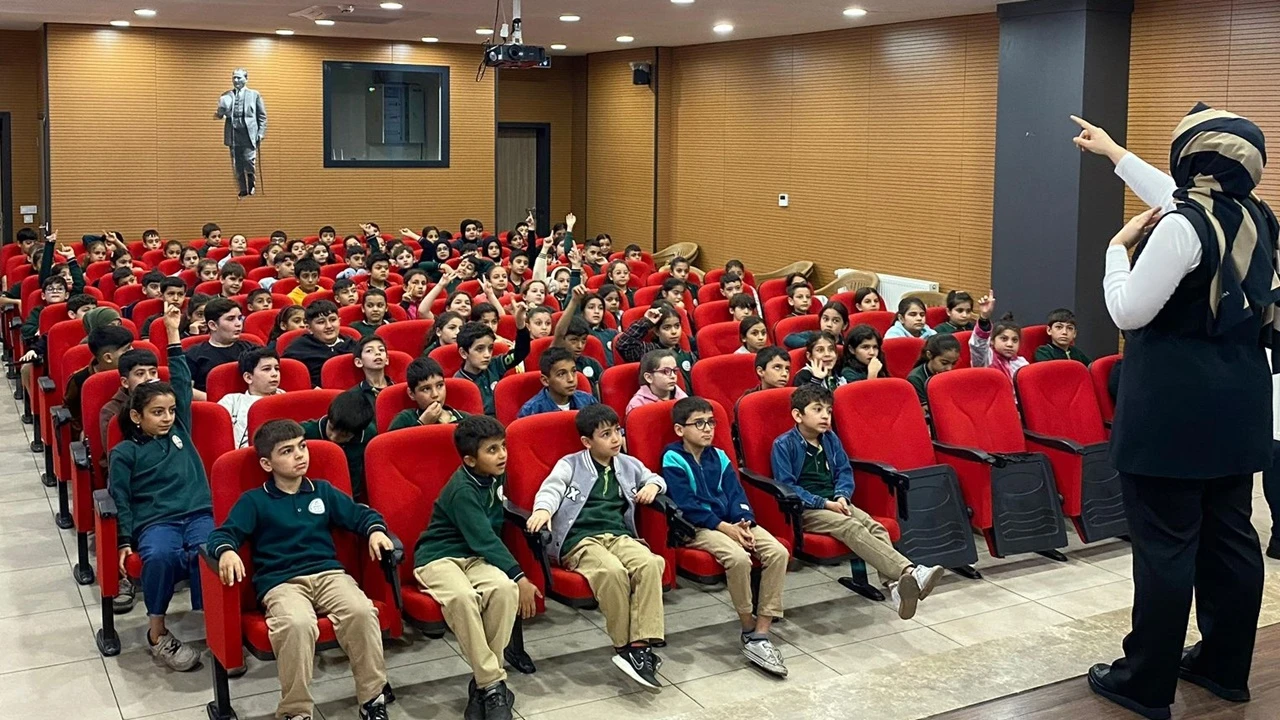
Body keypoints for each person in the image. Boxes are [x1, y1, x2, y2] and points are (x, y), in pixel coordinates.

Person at [1074, 109, 1274, 719]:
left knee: (1165, 546)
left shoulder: (1184, 224)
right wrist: (1114, 152)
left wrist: (1115, 252)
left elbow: (1128, 312)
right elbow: (1177, 198)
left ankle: (1146, 683)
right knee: (1231, 539)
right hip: (1239, 406)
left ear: (1190, 157)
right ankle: (1224, 668)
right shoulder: (1256, 215)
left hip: (1173, 411)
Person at [207, 419, 392, 720]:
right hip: (281, 582)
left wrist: (375, 530)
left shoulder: (322, 491)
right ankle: (295, 710)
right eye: (287, 451)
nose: (300, 455)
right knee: (296, 624)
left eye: (302, 447)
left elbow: (359, 515)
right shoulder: (254, 501)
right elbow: (223, 534)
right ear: (267, 463)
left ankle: (373, 697)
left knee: (361, 611)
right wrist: (226, 550)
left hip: (329, 574)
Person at [772, 385, 944, 619]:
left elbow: (844, 470)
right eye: (817, 409)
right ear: (798, 415)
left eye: (828, 411)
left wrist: (842, 495)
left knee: (877, 527)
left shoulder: (830, 439)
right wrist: (824, 503)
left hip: (836, 501)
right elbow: (787, 486)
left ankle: (895, 587)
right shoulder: (783, 445)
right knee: (850, 526)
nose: (825, 416)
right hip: (806, 510)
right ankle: (910, 571)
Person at [526, 404, 667, 687]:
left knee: (651, 562)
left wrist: (654, 486)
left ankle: (639, 646)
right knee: (612, 572)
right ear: (587, 442)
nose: (615, 439)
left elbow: (653, 477)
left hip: (618, 536)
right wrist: (543, 510)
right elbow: (551, 489)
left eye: (617, 431)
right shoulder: (571, 464)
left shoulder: (627, 463)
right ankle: (622, 646)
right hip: (580, 540)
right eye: (606, 434)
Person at [412, 415, 540, 720]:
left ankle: (483, 686)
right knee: (463, 598)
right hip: (439, 557)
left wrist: (514, 580)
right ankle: (494, 684)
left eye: (503, 446)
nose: (502, 454)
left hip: (474, 558)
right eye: (492, 450)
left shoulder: (494, 476)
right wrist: (521, 575)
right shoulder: (463, 490)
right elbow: (484, 538)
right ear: (470, 460)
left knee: (504, 589)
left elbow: (484, 542)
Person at [109, 304, 211, 671]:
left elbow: (180, 380)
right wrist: (123, 540)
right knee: (160, 556)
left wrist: (172, 333)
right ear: (137, 416)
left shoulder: (180, 429)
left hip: (198, 513)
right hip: (156, 521)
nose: (167, 417)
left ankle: (216, 622)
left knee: (210, 551)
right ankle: (157, 632)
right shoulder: (125, 452)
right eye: (157, 412)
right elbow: (120, 498)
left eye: (170, 411)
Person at [662, 397, 790, 677]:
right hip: (700, 528)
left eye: (711, 422)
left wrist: (744, 521)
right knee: (738, 558)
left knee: (778, 552)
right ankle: (747, 625)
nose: (708, 429)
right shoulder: (672, 458)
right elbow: (687, 505)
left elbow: (735, 493)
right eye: (699, 423)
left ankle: (761, 632)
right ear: (680, 430)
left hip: (733, 522)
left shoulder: (719, 456)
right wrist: (725, 528)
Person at [301, 389, 377, 501]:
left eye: (344, 435)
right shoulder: (305, 432)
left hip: (350, 494)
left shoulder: (369, 434)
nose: (333, 437)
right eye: (331, 428)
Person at [455, 307, 531, 416]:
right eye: (480, 349)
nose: (487, 355)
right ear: (463, 353)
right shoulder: (459, 383)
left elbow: (521, 352)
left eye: (490, 348)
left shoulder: (495, 365)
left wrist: (521, 326)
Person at [64, 326, 135, 437]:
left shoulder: (137, 372)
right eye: (127, 349)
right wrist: (82, 432)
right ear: (108, 358)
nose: (133, 351)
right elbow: (72, 412)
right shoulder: (79, 380)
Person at [185, 297, 257, 398]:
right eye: (231, 319)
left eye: (240, 318)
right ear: (213, 325)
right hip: (212, 404)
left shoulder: (252, 349)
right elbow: (186, 389)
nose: (238, 324)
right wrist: (218, 401)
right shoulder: (193, 355)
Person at [215, 67, 267, 197]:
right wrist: (220, 112)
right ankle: (243, 189)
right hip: (233, 134)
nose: (236, 80)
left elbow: (262, 116)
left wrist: (260, 132)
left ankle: (251, 185)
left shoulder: (254, 95)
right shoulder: (227, 95)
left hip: (248, 134)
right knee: (237, 164)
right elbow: (221, 114)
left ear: (246, 79)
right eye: (234, 78)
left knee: (249, 161)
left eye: (239, 77)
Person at [218, 347, 285, 448]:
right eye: (266, 369)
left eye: (277, 369)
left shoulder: (285, 398)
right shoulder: (231, 401)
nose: (274, 374)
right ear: (248, 377)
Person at [616, 304, 696, 388]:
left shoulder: (689, 356)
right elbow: (623, 344)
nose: (674, 331)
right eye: (667, 327)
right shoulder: (649, 352)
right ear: (657, 331)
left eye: (677, 326)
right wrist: (647, 322)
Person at [284, 300, 355, 387]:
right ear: (309, 328)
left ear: (339, 321)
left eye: (333, 320)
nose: (329, 326)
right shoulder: (297, 350)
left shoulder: (354, 345)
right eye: (321, 322)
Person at [388, 357, 469, 430]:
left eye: (440, 385)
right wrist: (422, 423)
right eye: (426, 389)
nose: (435, 394)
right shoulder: (405, 419)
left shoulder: (464, 418)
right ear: (411, 394)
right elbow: (391, 441)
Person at [517, 347, 598, 418]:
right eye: (561, 374)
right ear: (545, 381)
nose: (571, 379)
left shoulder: (588, 401)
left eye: (573, 371)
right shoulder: (531, 410)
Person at [969, 293, 1028, 386]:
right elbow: (978, 346)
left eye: (1015, 340)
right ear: (992, 340)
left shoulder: (1022, 363)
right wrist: (984, 318)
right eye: (1004, 339)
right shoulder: (986, 358)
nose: (1010, 344)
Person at [555, 286, 605, 392]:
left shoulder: (592, 364)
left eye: (583, 340)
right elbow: (560, 333)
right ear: (563, 340)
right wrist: (574, 301)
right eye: (574, 340)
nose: (580, 346)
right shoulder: (554, 364)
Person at [626, 349, 688, 415]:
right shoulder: (637, 405)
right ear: (649, 377)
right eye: (666, 371)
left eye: (674, 370)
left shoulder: (681, 396)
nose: (673, 376)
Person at [907, 334, 960, 409]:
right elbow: (926, 409)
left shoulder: (950, 374)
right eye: (944, 363)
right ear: (929, 355)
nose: (949, 368)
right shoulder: (915, 379)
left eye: (954, 363)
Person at [783, 303, 849, 349]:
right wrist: (813, 344)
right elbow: (789, 339)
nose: (829, 324)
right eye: (825, 319)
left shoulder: (847, 344)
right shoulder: (813, 336)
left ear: (844, 325)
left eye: (835, 321)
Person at [352, 336, 393, 405]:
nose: (377, 353)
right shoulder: (353, 397)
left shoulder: (396, 390)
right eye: (369, 351)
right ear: (359, 362)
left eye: (381, 350)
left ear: (386, 360)